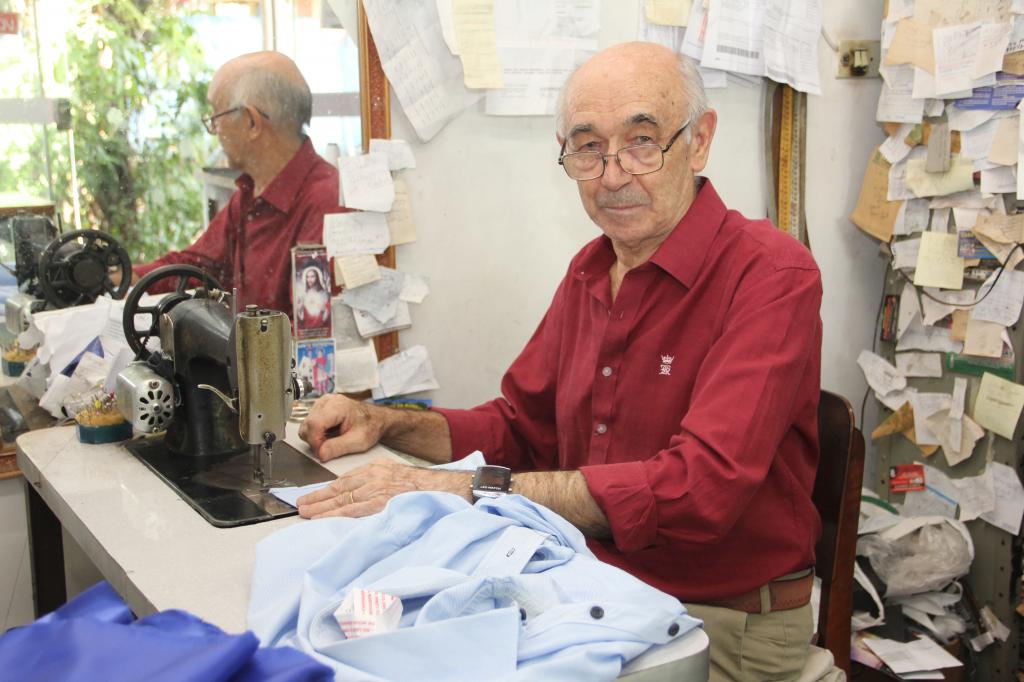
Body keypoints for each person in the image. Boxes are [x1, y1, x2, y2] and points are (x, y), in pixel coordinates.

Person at [298, 42, 825, 682]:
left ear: (700, 141)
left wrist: (462, 488)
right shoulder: (591, 270)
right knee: (360, 640)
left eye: (642, 142)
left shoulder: (770, 274)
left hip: (717, 626)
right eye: (588, 147)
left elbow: (697, 490)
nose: (612, 175)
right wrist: (386, 421)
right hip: (590, 586)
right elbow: (520, 429)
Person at [131, 51, 340, 314]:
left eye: (216, 117)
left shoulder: (325, 202)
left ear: (252, 122)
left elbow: (311, 325)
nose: (214, 130)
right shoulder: (250, 193)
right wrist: (128, 277)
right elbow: (198, 266)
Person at [295, 266, 330, 331]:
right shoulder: (304, 294)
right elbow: (300, 315)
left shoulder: (324, 294)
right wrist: (300, 307)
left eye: (312, 276)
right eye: (307, 277)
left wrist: (324, 309)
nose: (309, 279)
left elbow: (327, 311)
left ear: (317, 277)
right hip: (307, 328)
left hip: (321, 328)